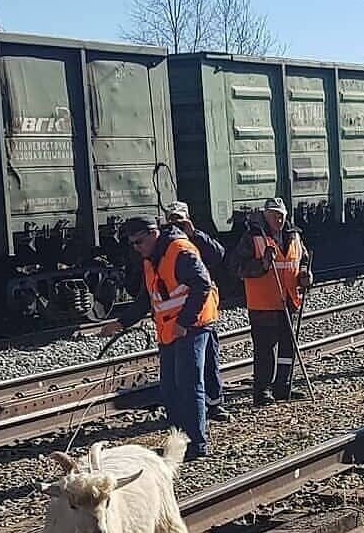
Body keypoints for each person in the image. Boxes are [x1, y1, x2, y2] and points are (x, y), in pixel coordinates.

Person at [106, 216, 219, 460]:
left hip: (192, 327)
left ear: (153, 234)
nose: (136, 248)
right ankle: (178, 443)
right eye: (133, 244)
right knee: (170, 388)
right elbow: (148, 298)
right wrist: (121, 323)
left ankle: (196, 444)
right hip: (170, 331)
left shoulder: (180, 251)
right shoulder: (152, 259)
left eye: (139, 242)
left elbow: (202, 286)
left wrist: (183, 322)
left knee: (189, 386)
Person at [229, 197, 313, 407]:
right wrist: (263, 263)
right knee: (265, 351)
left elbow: (300, 260)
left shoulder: (294, 235)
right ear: (265, 216)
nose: (278, 219)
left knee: (288, 348)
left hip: (289, 301)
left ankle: (283, 386)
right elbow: (237, 267)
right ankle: (262, 391)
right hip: (263, 304)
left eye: (281, 215)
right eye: (274, 215)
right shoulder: (253, 238)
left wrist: (305, 274)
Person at [164, 201, 232, 423]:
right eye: (172, 221)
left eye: (180, 221)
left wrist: (194, 234)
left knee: (210, 360)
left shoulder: (195, 240)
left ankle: (214, 404)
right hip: (178, 317)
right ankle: (193, 410)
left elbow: (218, 255)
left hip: (204, 313)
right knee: (188, 369)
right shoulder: (165, 246)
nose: (177, 225)